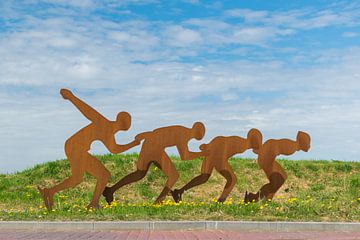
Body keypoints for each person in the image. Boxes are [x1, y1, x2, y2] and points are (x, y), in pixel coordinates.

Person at [38, 88, 140, 210]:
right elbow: (88, 111)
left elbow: (114, 148)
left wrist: (133, 144)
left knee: (77, 179)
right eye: (129, 120)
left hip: (74, 147)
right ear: (125, 122)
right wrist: (71, 97)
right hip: (75, 147)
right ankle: (93, 204)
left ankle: (49, 192)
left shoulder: (108, 130)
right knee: (104, 175)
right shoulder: (105, 125)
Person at [103, 122, 207, 204]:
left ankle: (110, 190)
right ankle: (159, 201)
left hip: (148, 143)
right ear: (198, 133)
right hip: (155, 147)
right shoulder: (184, 133)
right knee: (174, 175)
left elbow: (159, 131)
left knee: (139, 174)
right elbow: (185, 156)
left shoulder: (181, 129)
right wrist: (204, 153)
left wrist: (146, 135)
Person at [171, 128, 262, 203]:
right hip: (218, 154)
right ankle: (220, 202)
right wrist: (209, 147)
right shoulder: (242, 144)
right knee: (232, 179)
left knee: (204, 177)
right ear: (254, 141)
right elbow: (222, 142)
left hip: (213, 151)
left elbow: (221, 140)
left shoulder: (242, 143)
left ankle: (179, 192)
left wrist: (208, 146)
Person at [244, 131, 311, 203]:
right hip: (266, 158)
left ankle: (259, 197)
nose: (309, 146)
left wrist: (262, 151)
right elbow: (274, 146)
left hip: (267, 156)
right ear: (303, 143)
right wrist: (263, 153)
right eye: (308, 143)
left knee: (283, 177)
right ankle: (255, 198)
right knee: (276, 182)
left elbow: (274, 145)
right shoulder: (292, 146)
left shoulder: (292, 145)